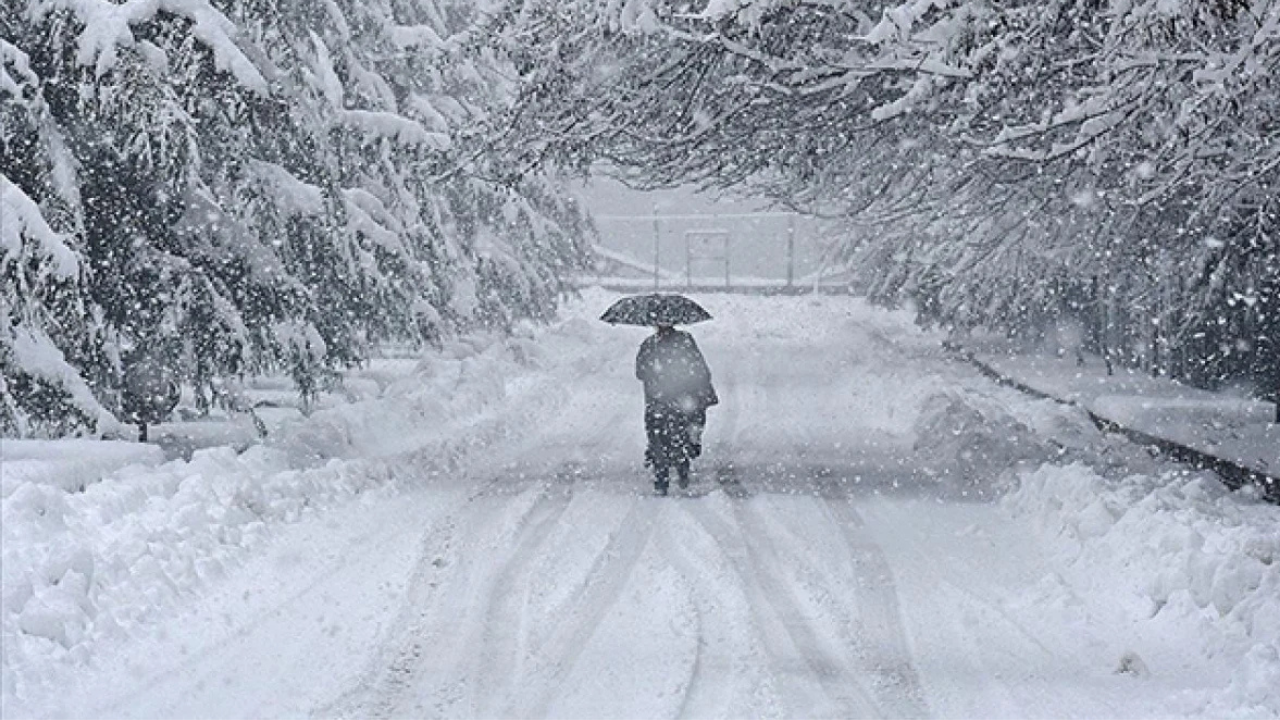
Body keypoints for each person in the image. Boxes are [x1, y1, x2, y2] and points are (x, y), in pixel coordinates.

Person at [635, 323, 718, 495]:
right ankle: (682, 467)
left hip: (659, 399)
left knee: (658, 436)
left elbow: (640, 372)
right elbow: (699, 368)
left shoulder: (650, 344)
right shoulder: (685, 341)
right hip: (681, 398)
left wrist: (656, 374)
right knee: (681, 433)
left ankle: (661, 477)